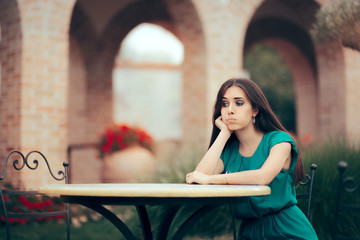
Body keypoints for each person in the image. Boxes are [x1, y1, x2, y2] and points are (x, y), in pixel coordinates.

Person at [186, 78, 318, 239]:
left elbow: (262, 177)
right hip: (249, 231)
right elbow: (198, 179)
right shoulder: (229, 150)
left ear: (255, 110)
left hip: (286, 229)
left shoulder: (279, 141)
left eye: (239, 103)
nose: (230, 110)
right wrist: (223, 135)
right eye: (225, 104)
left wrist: (211, 179)